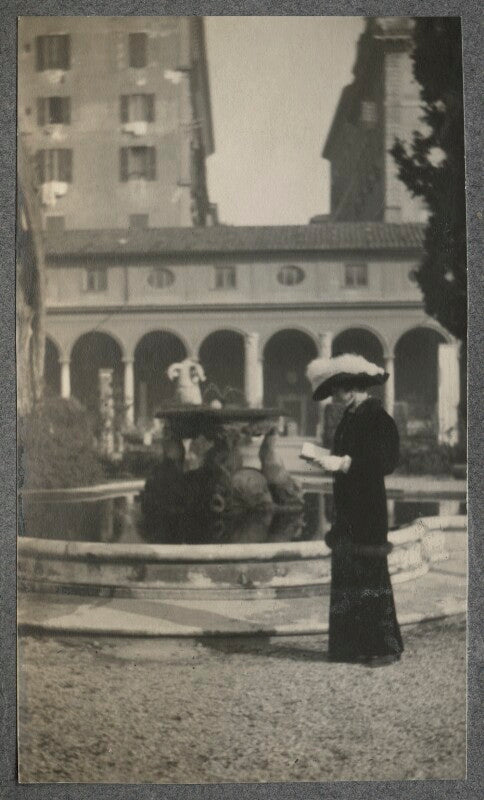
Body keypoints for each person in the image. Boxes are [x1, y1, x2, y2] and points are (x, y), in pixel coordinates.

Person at [306, 353, 403, 667]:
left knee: (370, 576)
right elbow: (348, 455)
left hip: (368, 510)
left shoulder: (378, 418)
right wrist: (325, 458)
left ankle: (383, 648)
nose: (334, 395)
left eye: (337, 388)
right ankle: (348, 647)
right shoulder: (350, 417)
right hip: (349, 510)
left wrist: (345, 463)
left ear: (352, 388)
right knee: (348, 576)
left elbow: (386, 461)